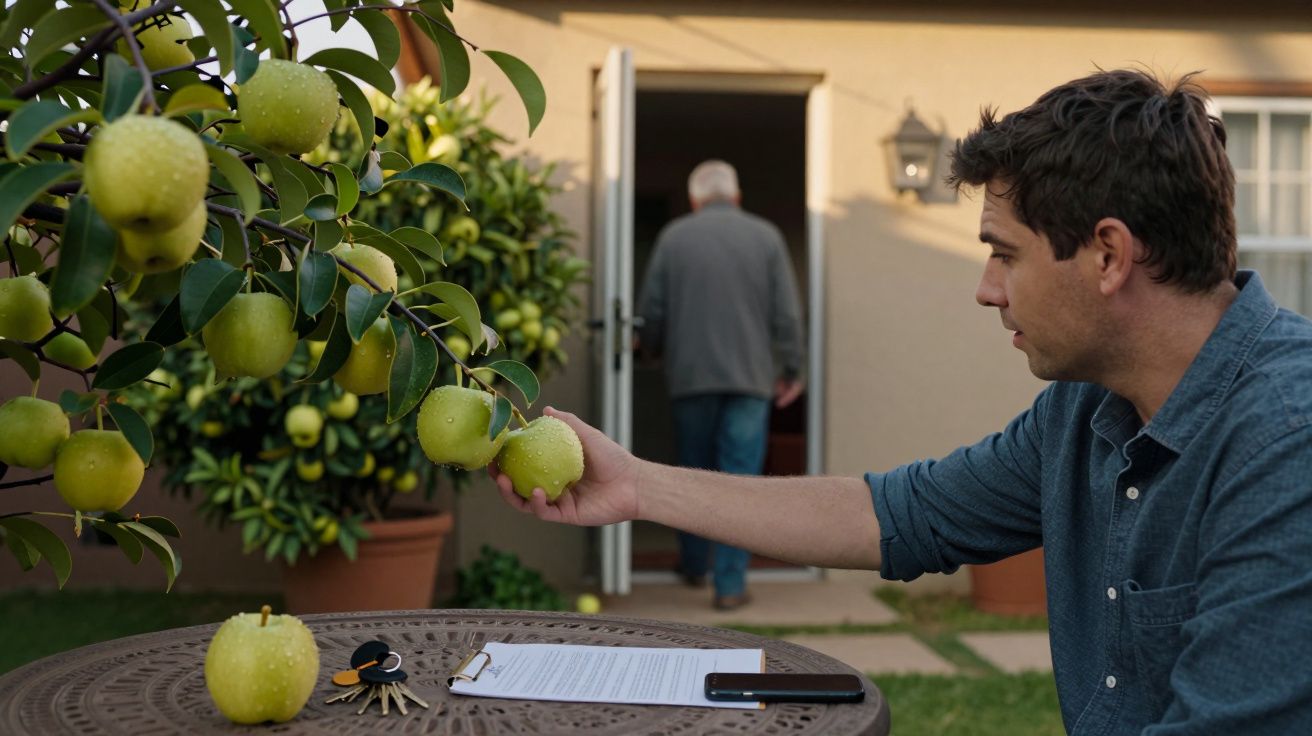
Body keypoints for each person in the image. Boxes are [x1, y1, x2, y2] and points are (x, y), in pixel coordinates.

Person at [490, 70, 1312, 733]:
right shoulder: (1086, 410)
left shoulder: (1287, 441)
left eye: (1004, 254)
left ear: (1108, 255)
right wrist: (638, 484)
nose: (986, 290)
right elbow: (899, 515)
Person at [633, 159, 805, 611]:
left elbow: (652, 310)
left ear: (694, 200)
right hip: (750, 380)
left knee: (692, 475)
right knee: (739, 482)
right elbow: (786, 313)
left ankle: (694, 565)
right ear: (737, 196)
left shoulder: (673, 237)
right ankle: (729, 585)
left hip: (691, 379)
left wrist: (649, 350)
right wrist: (792, 369)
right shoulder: (766, 237)